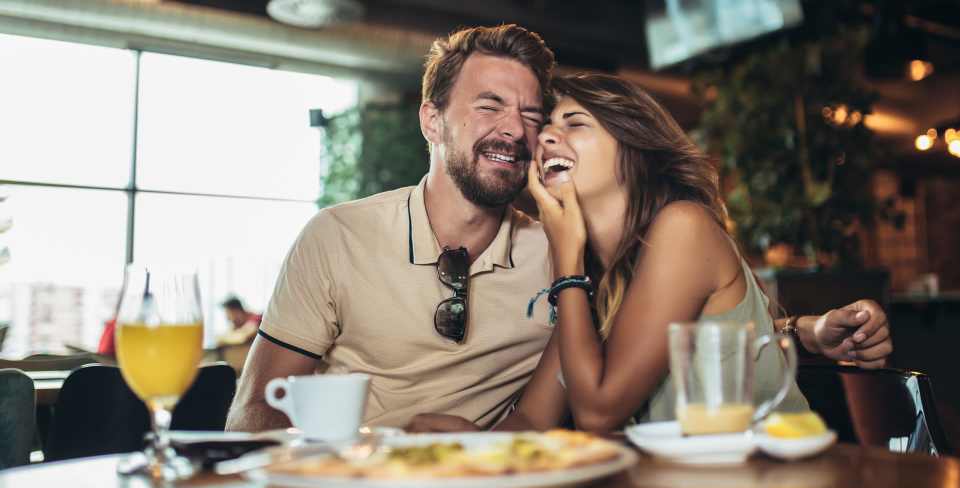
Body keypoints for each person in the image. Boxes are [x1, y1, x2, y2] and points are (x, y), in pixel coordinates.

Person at [227, 25, 891, 433]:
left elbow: (635, 375)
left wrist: (803, 331)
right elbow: (255, 409)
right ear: (432, 121)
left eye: (541, 117)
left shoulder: (569, 254)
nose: (523, 133)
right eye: (490, 105)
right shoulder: (337, 237)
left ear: (631, 148)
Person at [408, 73, 892, 433]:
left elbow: (600, 410)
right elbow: (535, 418)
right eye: (548, 126)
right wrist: (465, 443)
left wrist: (566, 259)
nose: (546, 137)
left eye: (575, 123)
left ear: (634, 151)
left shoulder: (681, 227)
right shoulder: (598, 278)